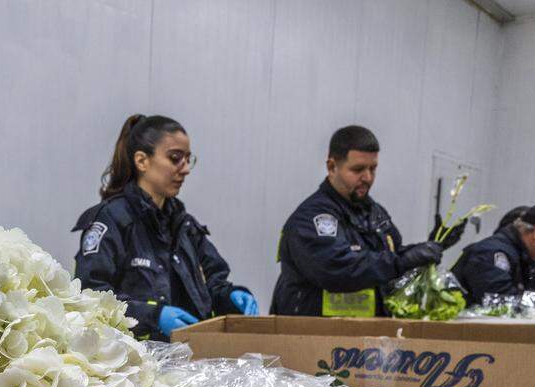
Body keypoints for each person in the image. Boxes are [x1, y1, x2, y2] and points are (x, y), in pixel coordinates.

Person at [72, 114, 257, 341]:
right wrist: (152, 316)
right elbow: (91, 294)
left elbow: (213, 283)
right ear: (142, 161)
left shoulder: (183, 224)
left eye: (188, 159)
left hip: (190, 357)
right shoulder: (112, 220)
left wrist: (231, 296)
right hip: (133, 364)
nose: (186, 169)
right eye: (175, 158)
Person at [270, 126, 460, 316]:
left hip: (363, 335)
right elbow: (337, 269)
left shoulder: (374, 212)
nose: (368, 178)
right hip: (314, 334)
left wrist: (429, 248)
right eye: (358, 169)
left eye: (373, 168)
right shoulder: (312, 218)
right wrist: (402, 262)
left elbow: (389, 258)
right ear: (331, 167)